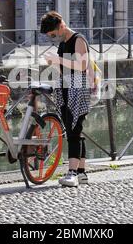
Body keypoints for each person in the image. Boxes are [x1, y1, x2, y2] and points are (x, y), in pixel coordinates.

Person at [41, 11, 91, 187]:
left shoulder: (78, 39)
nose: (53, 38)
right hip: (65, 87)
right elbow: (64, 70)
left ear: (61, 25)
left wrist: (59, 59)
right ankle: (82, 173)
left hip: (78, 87)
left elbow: (82, 66)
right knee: (74, 129)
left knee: (73, 129)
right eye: (50, 36)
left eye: (53, 34)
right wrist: (54, 63)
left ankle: (71, 174)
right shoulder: (62, 44)